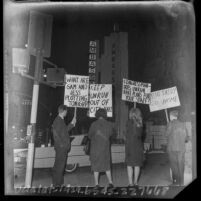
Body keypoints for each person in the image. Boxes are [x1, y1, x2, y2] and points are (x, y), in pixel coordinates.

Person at [88, 108, 115, 188]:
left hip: (95, 149)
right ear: (105, 115)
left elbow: (89, 136)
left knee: (96, 167)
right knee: (107, 166)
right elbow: (111, 134)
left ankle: (96, 184)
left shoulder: (93, 124)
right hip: (105, 149)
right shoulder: (109, 124)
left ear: (97, 114)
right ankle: (110, 182)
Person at [52, 105, 76, 186]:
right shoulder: (58, 121)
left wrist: (72, 123)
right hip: (61, 148)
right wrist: (62, 145)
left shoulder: (60, 120)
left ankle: (58, 183)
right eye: (66, 111)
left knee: (60, 166)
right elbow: (55, 135)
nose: (67, 112)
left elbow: (64, 131)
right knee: (60, 166)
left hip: (61, 148)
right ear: (64, 111)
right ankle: (57, 185)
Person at [165, 110, 189, 186]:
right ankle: (181, 183)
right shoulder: (183, 124)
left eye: (169, 116)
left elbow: (166, 135)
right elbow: (186, 139)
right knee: (181, 166)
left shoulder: (170, 124)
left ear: (171, 116)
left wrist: (168, 126)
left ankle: (176, 182)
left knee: (174, 166)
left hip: (172, 148)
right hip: (181, 148)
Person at [125, 107, 144, 187]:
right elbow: (141, 135)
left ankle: (130, 183)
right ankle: (136, 183)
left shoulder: (128, 122)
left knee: (129, 165)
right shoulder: (141, 123)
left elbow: (126, 134)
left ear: (131, 114)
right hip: (138, 146)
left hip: (130, 145)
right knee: (137, 165)